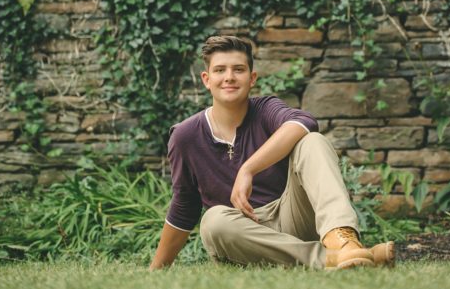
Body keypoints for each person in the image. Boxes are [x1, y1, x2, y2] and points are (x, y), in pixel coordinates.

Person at [148, 33, 395, 273]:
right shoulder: (186, 136)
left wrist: (248, 169)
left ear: (252, 77)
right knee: (213, 221)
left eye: (239, 69)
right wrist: (156, 270)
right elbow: (184, 205)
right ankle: (338, 258)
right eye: (220, 70)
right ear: (206, 79)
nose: (229, 77)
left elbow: (304, 121)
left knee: (313, 142)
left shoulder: (266, 109)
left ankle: (343, 240)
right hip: (244, 236)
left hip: (291, 216)